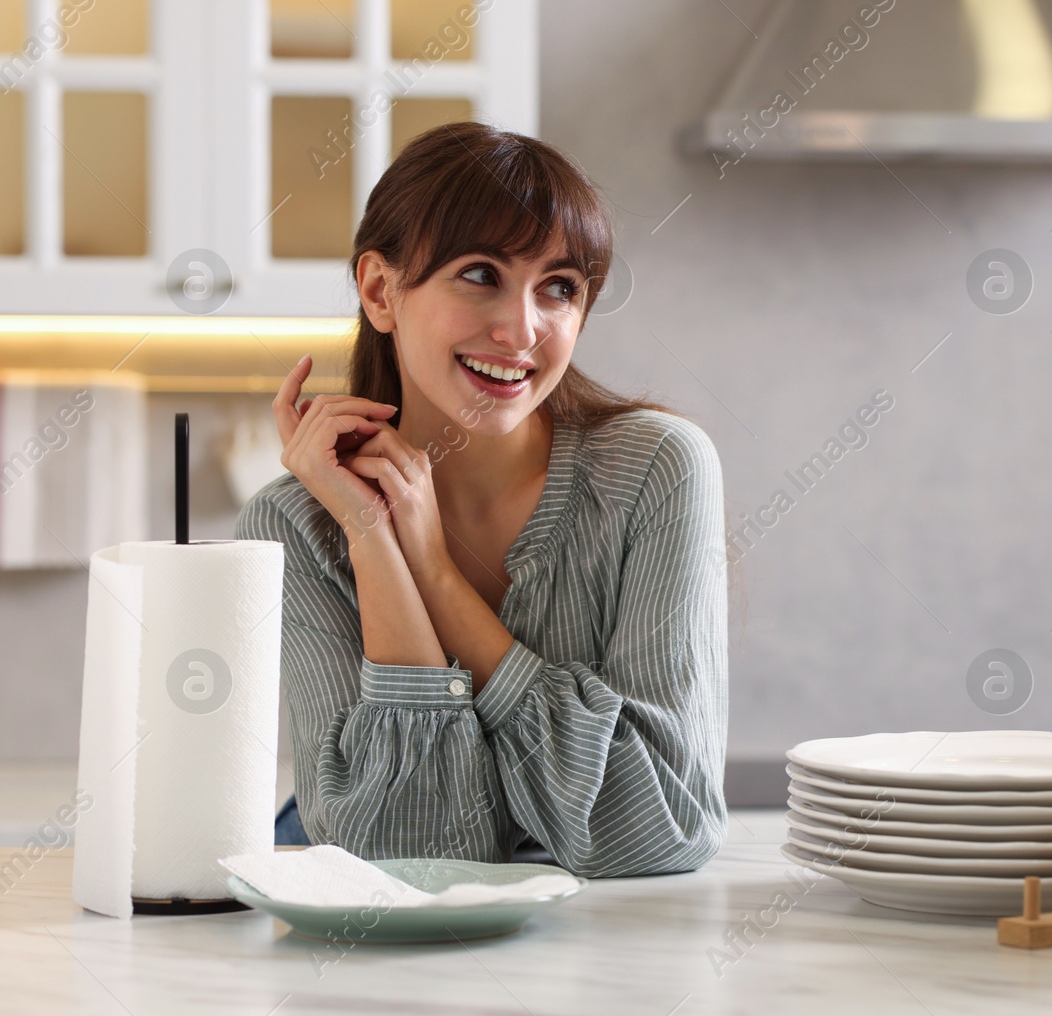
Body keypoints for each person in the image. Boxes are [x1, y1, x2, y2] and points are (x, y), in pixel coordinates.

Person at [237, 123, 728, 876]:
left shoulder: (657, 470)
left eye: (558, 288)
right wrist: (371, 534)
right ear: (380, 290)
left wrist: (434, 573)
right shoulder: (294, 521)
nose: (521, 330)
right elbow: (410, 858)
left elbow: (659, 828)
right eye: (479, 274)